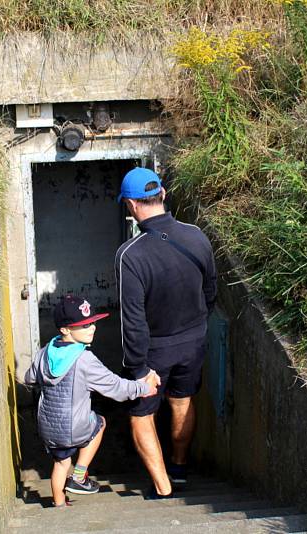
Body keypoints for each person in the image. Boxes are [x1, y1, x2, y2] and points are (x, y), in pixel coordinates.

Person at [115, 167, 217, 499]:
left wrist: (139, 367)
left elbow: (132, 320)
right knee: (182, 401)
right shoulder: (197, 235)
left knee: (141, 415)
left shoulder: (130, 255)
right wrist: (196, 327)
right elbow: (211, 290)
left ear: (131, 205)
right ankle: (179, 466)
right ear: (163, 195)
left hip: (154, 352)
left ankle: (163, 486)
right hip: (193, 342)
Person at [24, 294, 159, 507]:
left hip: (47, 427)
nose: (92, 328)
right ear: (65, 330)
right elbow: (116, 387)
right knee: (100, 423)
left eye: (93, 322)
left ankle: (59, 505)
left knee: (60, 464)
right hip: (74, 428)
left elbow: (29, 378)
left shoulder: (44, 353)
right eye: (84, 325)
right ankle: (79, 476)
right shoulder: (84, 360)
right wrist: (144, 388)